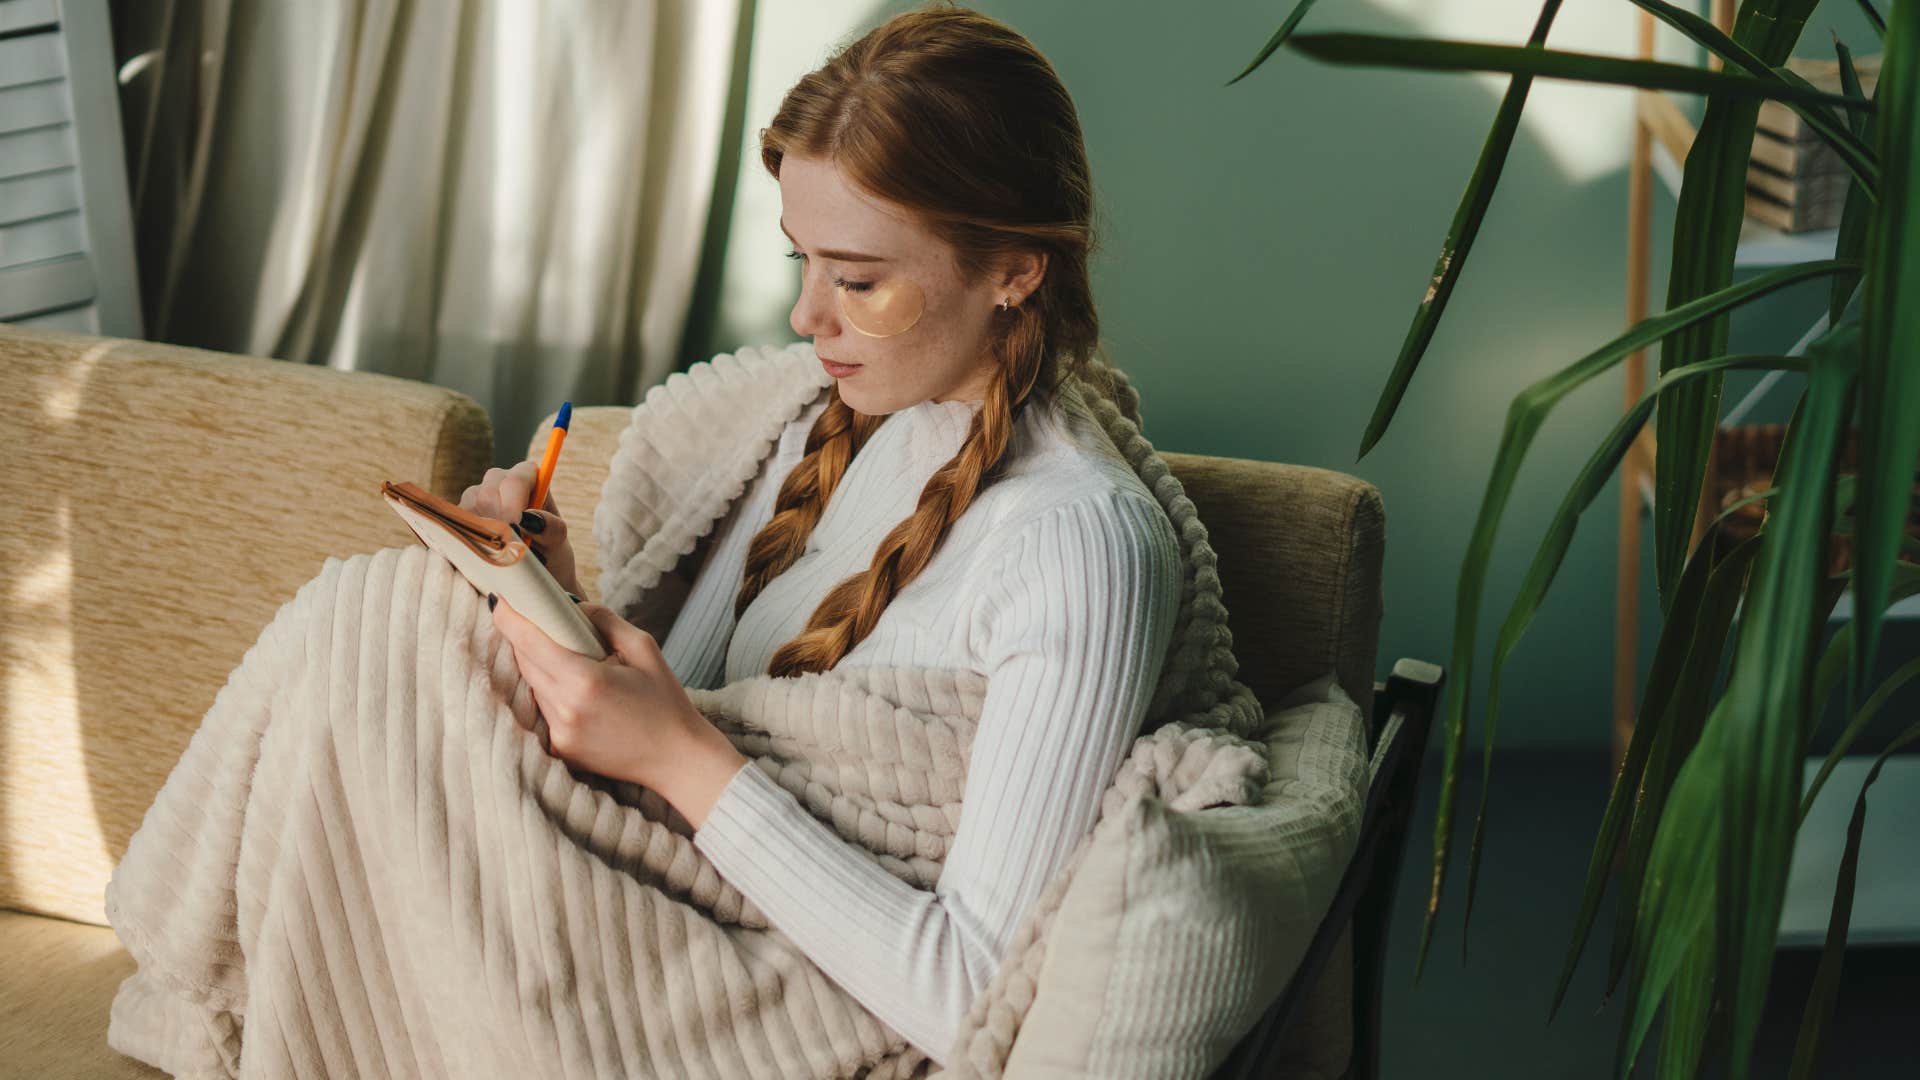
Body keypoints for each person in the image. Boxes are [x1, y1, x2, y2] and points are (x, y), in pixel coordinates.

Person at [111, 5, 1182, 1073]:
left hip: (777, 1001)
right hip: (635, 913)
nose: (809, 317)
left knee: (374, 620)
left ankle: (172, 932)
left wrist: (679, 752)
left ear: (1016, 269)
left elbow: (975, 994)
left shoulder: (1078, 543)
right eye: (800, 260)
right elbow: (679, 716)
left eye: (857, 280)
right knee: (402, 618)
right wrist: (552, 599)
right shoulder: (812, 425)